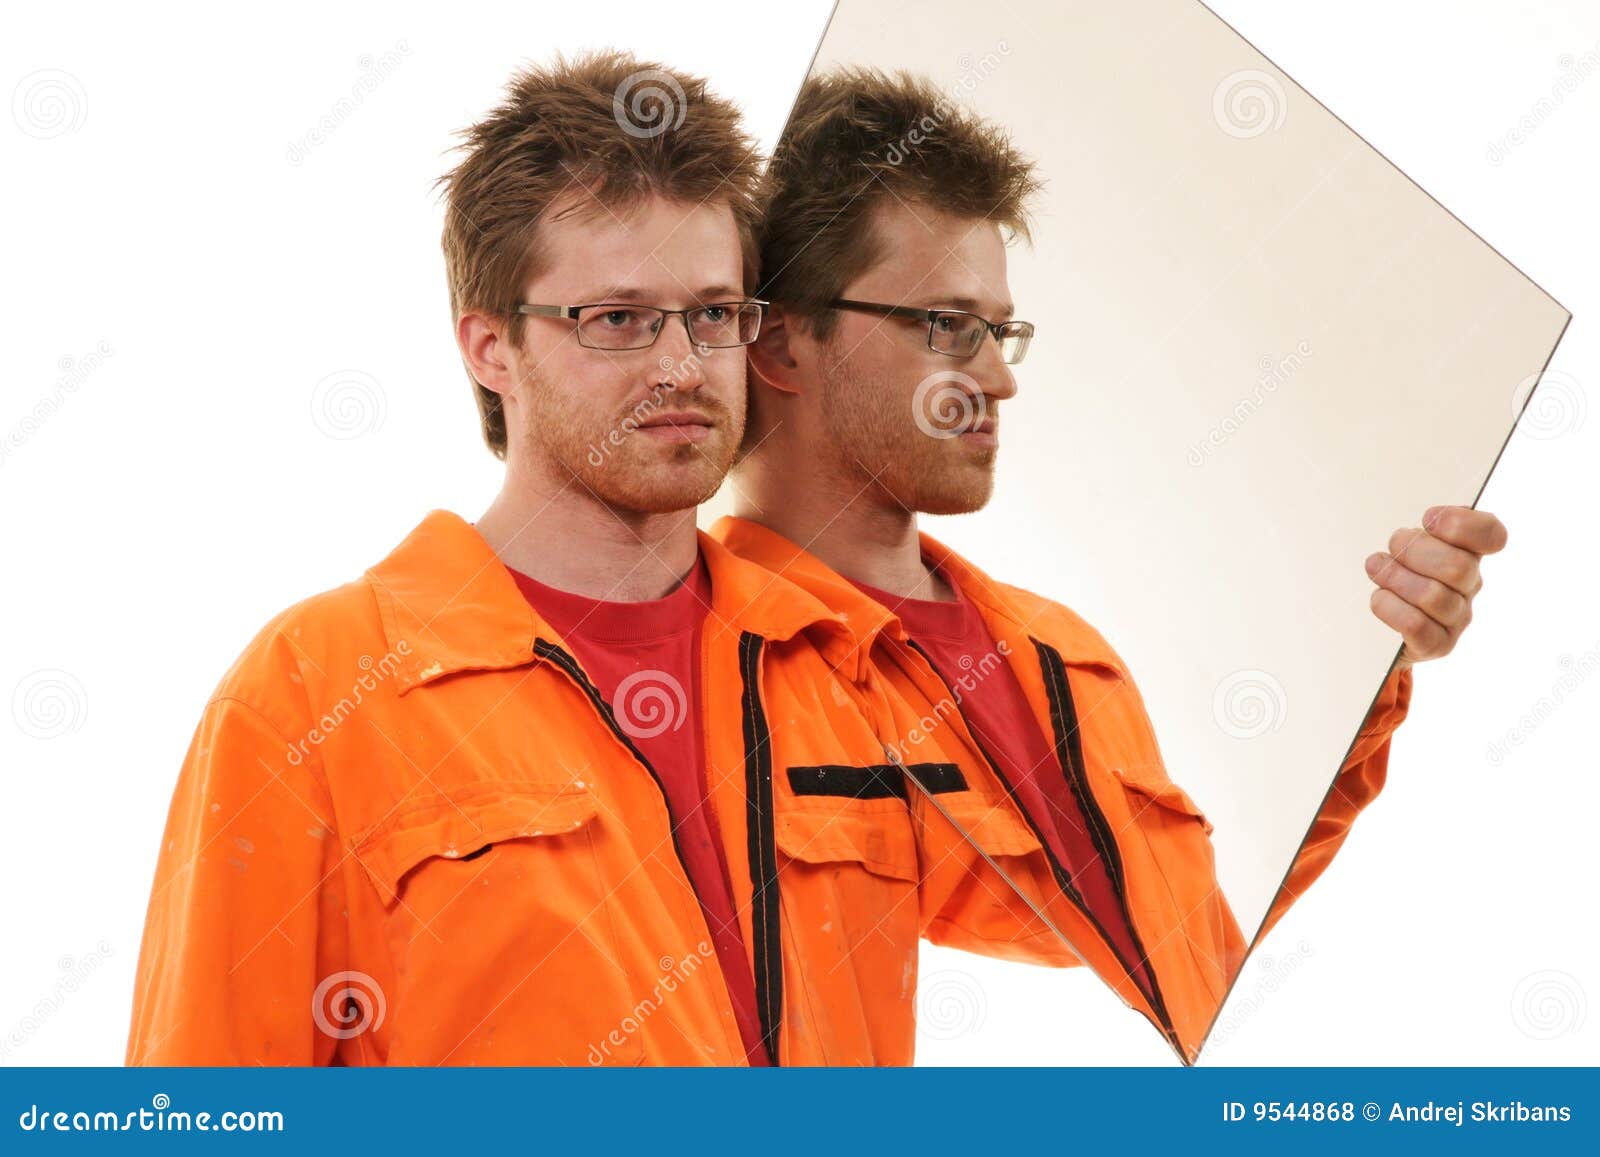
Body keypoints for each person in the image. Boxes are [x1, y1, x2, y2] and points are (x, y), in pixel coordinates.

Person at [127, 51, 1050, 1067]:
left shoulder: (842, 660)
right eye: (617, 319)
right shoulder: (315, 693)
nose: (681, 365)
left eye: (711, 312)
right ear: (488, 345)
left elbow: (1107, 896)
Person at [713, 68, 1507, 1062]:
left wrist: (1376, 666)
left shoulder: (1063, 653)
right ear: (783, 345)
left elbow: (1193, 949)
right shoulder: (703, 664)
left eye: (1001, 331)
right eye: (950, 325)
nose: (999, 375)